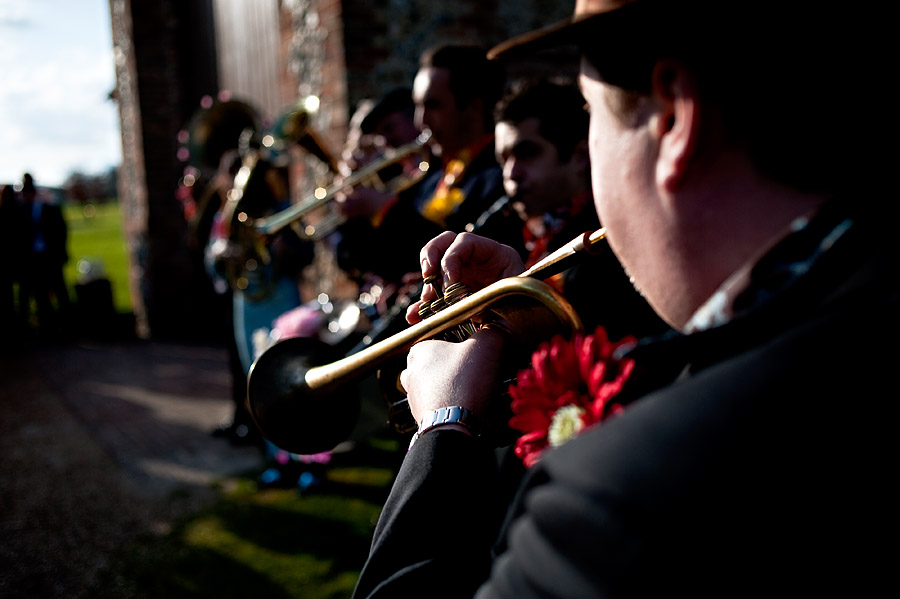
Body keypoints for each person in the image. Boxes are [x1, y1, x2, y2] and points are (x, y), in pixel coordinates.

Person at [353, 1, 894, 597]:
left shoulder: (610, 500)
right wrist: (537, 325)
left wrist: (442, 429)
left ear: (672, 119)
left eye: (589, 115)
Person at [478, 78, 667, 338]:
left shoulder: (612, 238)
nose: (511, 174)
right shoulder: (511, 232)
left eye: (527, 153)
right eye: (504, 159)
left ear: (579, 157)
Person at [336, 44, 509, 286]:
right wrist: (355, 212)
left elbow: (459, 257)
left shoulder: (500, 176)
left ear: (474, 107)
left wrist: (385, 209)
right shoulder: (431, 178)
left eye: (434, 106)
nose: (421, 121)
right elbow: (383, 261)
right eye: (418, 106)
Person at [17, 173, 71, 338]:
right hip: (34, 259)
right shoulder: (22, 212)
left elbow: (61, 232)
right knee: (41, 295)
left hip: (51, 258)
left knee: (60, 292)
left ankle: (67, 327)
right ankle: (48, 329)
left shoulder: (50, 209)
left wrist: (59, 253)